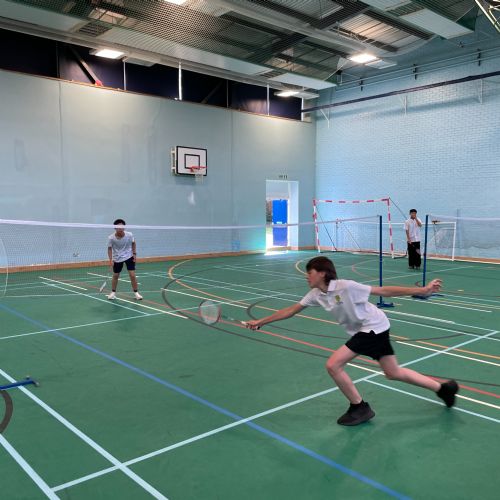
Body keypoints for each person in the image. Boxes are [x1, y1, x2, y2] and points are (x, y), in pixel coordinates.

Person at [245, 256, 458, 426]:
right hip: (374, 328)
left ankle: (359, 407)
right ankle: (443, 389)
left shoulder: (345, 287)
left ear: (322, 273)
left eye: (309, 272)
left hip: (372, 327)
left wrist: (423, 290)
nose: (306, 276)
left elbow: (383, 291)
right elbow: (291, 310)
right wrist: (261, 321)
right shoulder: (316, 294)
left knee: (333, 365)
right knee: (393, 373)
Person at [107, 219, 143, 301]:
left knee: (132, 275)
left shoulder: (129, 235)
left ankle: (136, 293)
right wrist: (110, 260)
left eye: (122, 226)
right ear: (115, 228)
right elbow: (109, 249)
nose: (120, 228)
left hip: (129, 256)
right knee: (115, 275)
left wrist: (134, 254)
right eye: (118, 226)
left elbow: (133, 243)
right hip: (117, 258)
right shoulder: (111, 238)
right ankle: (113, 293)